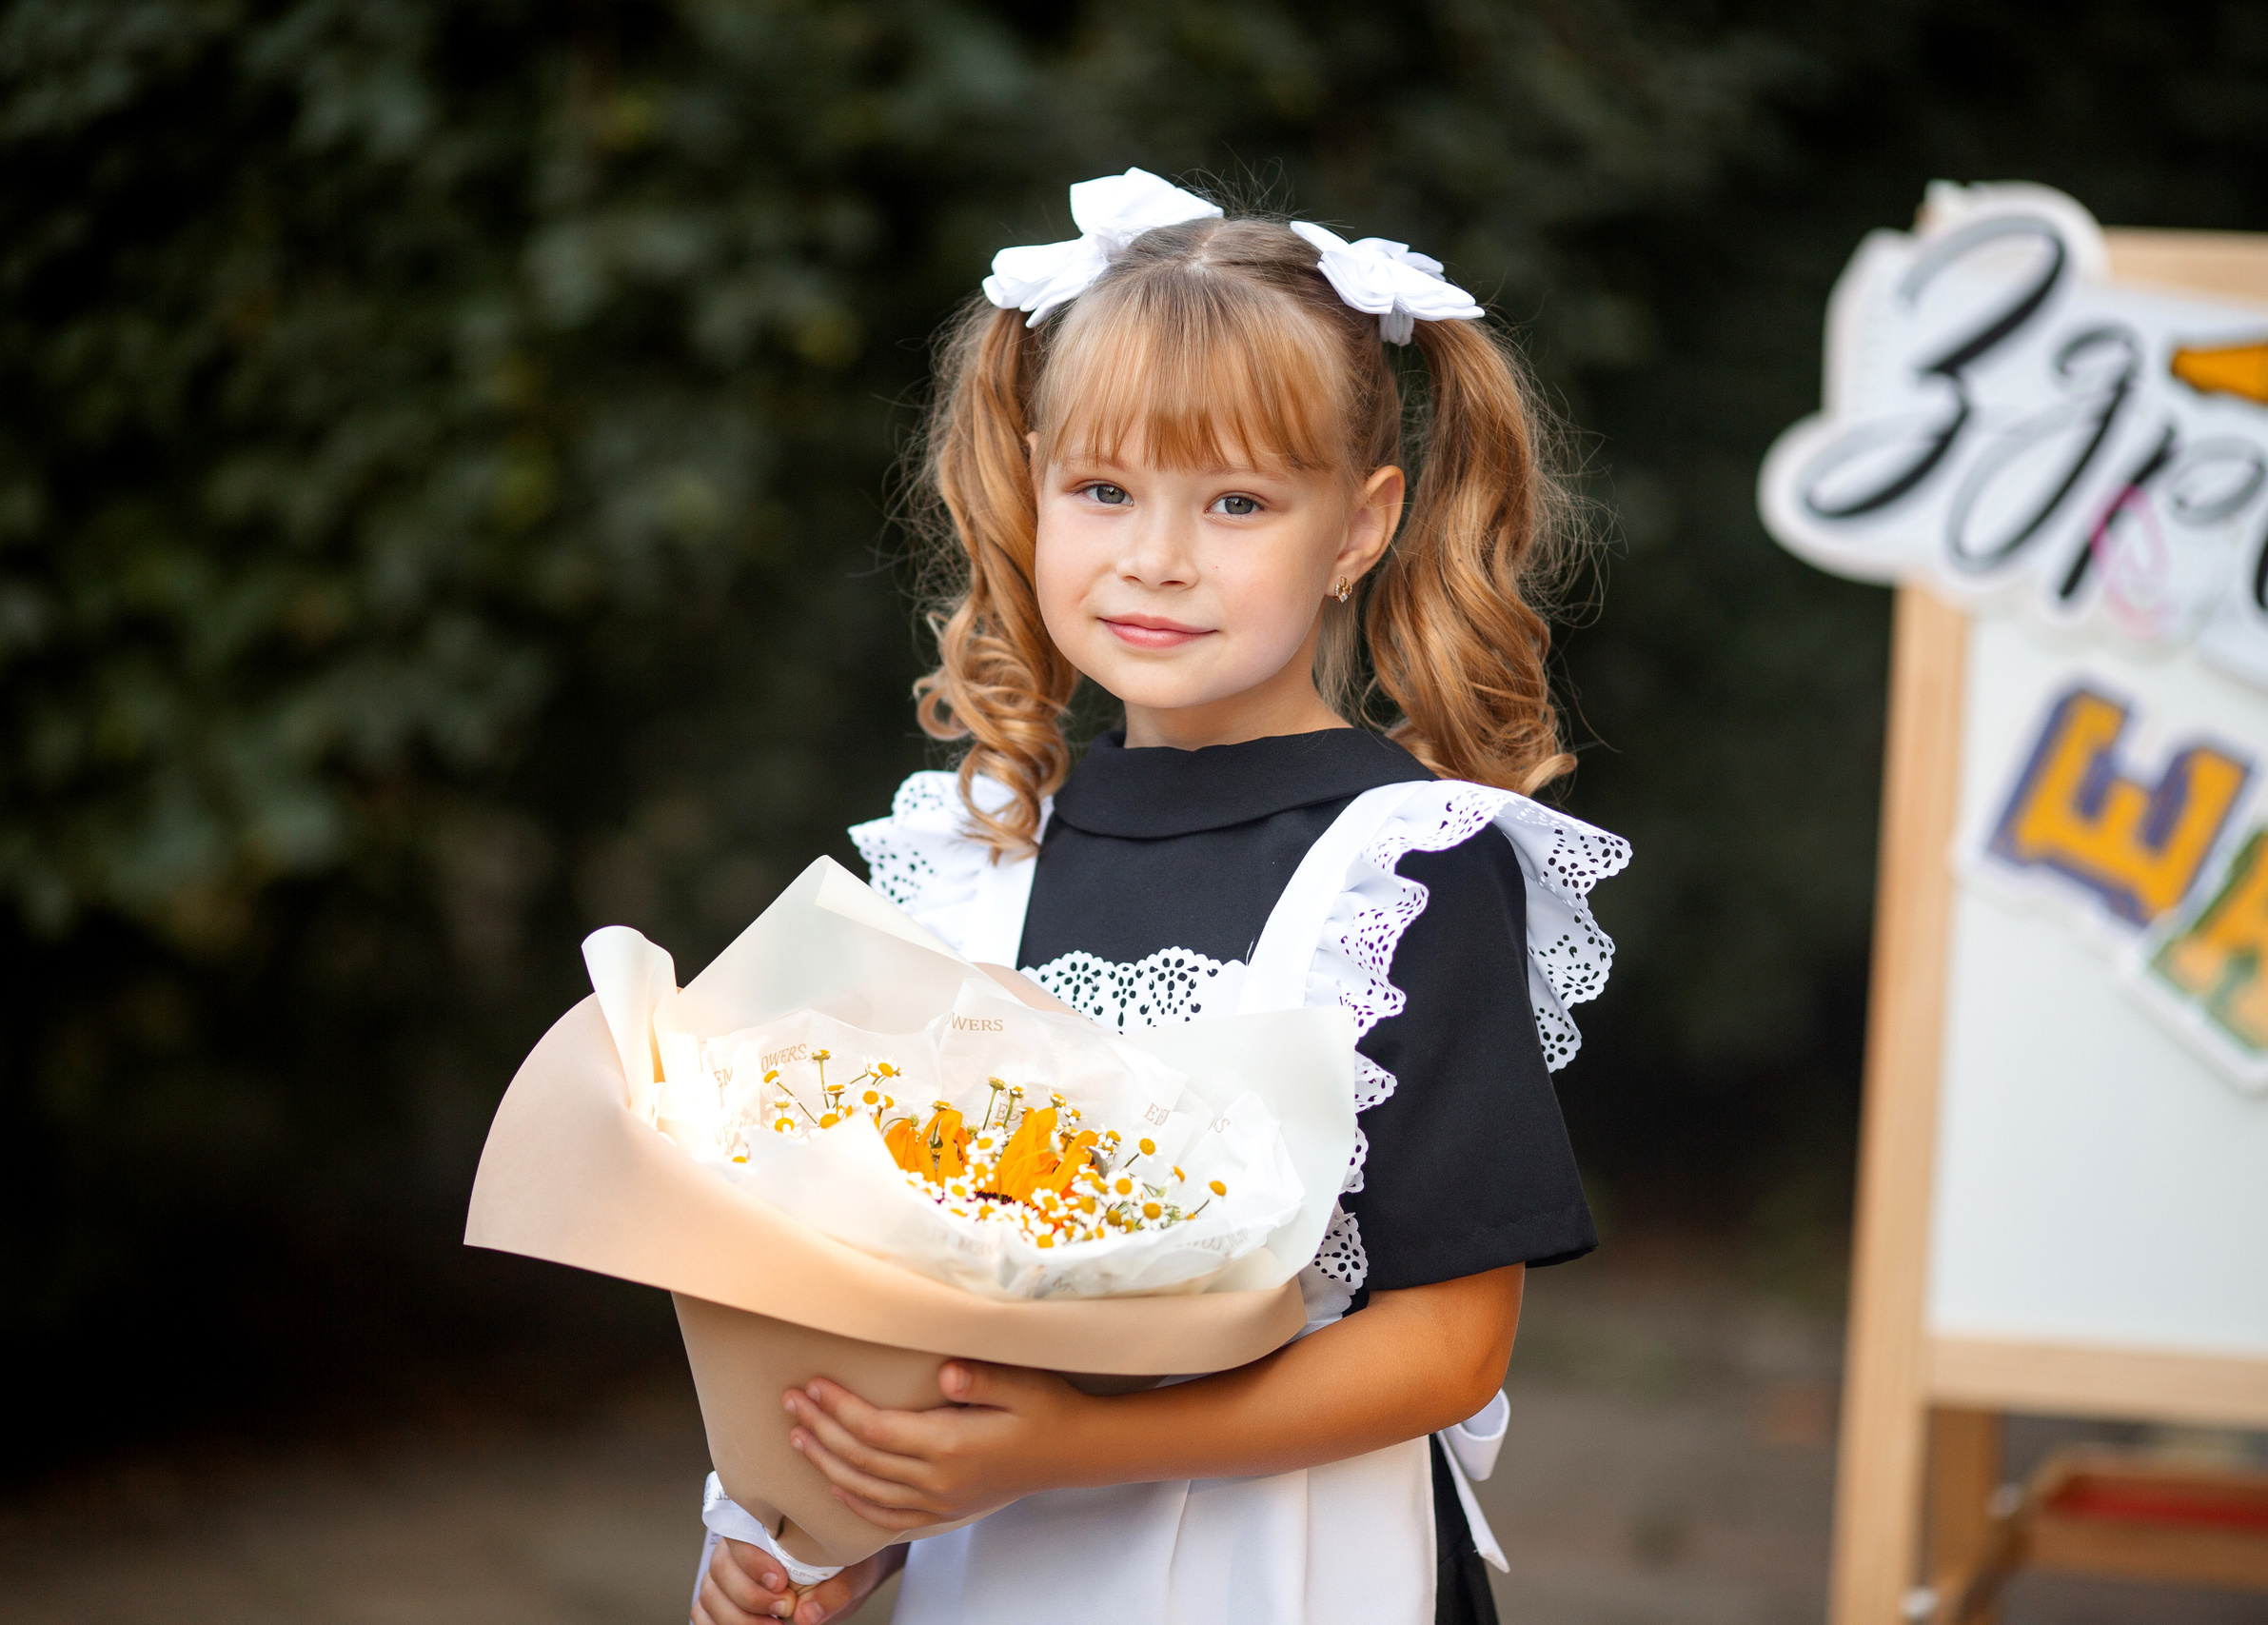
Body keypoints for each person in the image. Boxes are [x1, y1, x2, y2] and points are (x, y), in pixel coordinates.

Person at [692, 168, 1628, 1625]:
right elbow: (865, 1277)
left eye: (1238, 501)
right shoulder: (973, 856)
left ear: (1360, 526)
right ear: (1035, 483)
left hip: (1299, 1572)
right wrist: (822, 1530)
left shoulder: (1403, 870)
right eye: (1104, 489)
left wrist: (1079, 1449)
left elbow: (1450, 1348)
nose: (1156, 558)